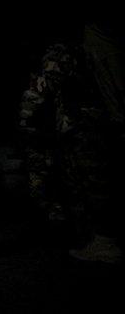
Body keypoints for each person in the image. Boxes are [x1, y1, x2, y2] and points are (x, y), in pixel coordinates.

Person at [18, 22, 123, 263]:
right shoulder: (91, 48)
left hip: (80, 125)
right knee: (99, 181)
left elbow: (41, 90)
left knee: (91, 183)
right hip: (96, 121)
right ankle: (99, 237)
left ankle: (103, 240)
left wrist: (27, 115)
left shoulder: (61, 52)